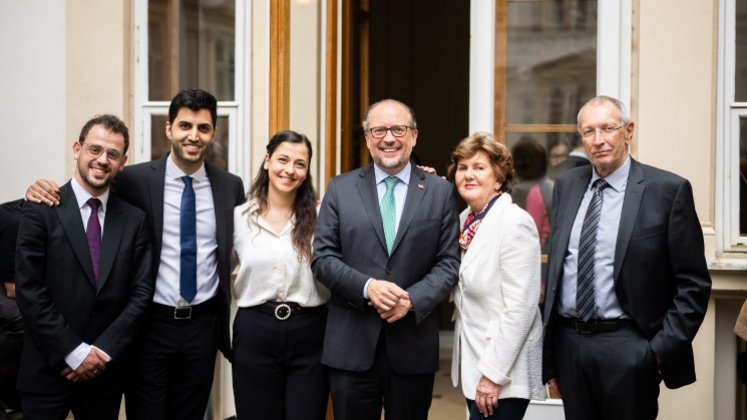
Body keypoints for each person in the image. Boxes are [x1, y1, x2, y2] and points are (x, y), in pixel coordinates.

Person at [25, 88, 246, 419]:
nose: (194, 136)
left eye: (203, 128)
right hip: (149, 325)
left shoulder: (230, 186)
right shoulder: (134, 179)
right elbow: (84, 193)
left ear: (213, 132)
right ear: (169, 128)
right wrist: (37, 190)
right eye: (185, 126)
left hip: (202, 325)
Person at [542, 95, 712, 420]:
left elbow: (693, 284)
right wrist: (553, 356)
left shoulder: (667, 190)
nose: (599, 140)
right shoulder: (567, 186)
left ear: (628, 130)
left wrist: (656, 353)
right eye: (589, 132)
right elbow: (557, 272)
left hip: (628, 345)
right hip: (570, 345)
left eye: (608, 128)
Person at [312, 99, 460, 420]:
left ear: (414, 136)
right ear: (367, 138)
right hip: (350, 347)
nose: (389, 138)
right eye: (379, 130)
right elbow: (322, 258)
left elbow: (448, 263)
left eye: (398, 129)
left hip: (412, 346)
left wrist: (412, 300)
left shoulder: (439, 192)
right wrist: (367, 287)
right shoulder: (340, 188)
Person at [14, 115, 153, 419]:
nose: (102, 160)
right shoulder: (41, 210)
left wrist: (99, 354)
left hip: (104, 373)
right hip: (47, 368)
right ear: (77, 148)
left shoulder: (134, 220)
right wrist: (74, 352)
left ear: (123, 162)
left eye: (112, 154)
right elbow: (29, 290)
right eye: (95, 149)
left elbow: (141, 294)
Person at [232, 130, 330, 419]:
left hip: (310, 331)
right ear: (267, 161)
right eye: (282, 160)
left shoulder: (323, 216)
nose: (290, 170)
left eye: (300, 164)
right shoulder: (239, 218)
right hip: (255, 330)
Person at [448, 133, 545, 419]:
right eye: (462, 168)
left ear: (499, 177)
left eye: (479, 168)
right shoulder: (466, 220)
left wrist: (493, 375)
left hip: (504, 369)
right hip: (474, 359)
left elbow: (521, 308)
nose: (468, 175)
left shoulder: (515, 223)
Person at [0, 199, 24, 418]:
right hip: (6, 288)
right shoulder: (16, 225)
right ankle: (9, 395)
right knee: (19, 316)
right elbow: (12, 289)